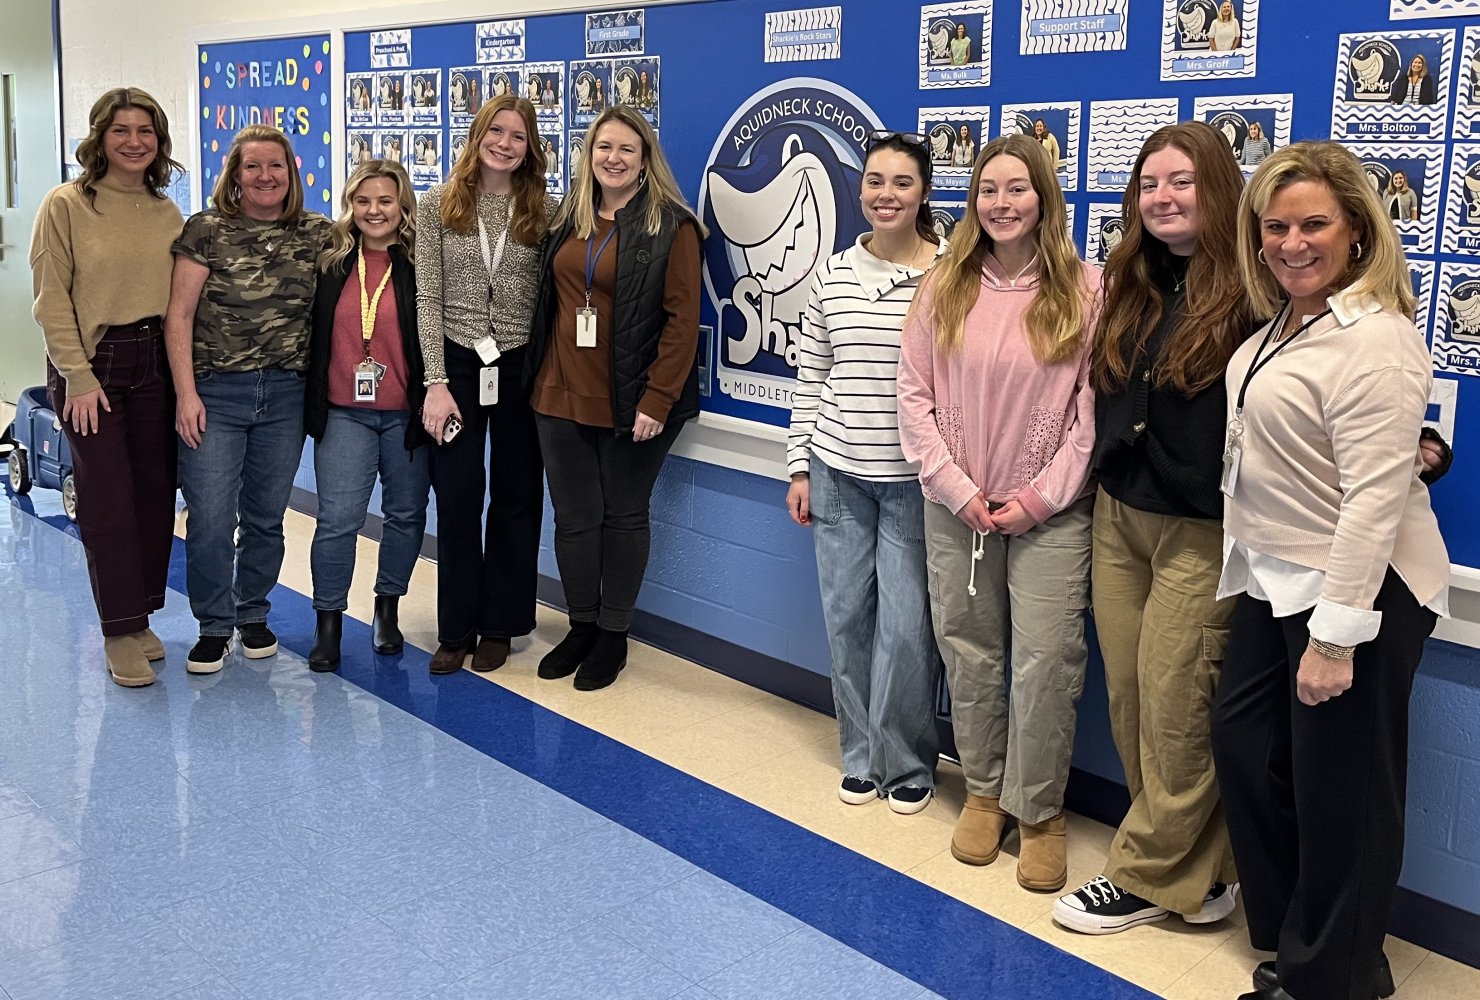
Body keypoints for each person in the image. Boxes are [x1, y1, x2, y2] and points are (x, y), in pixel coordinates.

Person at [1212, 141, 1449, 1000]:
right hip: (1276, 577)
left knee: (1343, 791)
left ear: (1356, 229)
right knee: (1246, 752)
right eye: (1276, 226)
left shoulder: (1376, 338)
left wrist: (1338, 638)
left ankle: (1336, 978)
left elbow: (1373, 502)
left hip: (1359, 590)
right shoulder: (1283, 323)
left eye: (1314, 223)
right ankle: (1296, 936)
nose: (1292, 242)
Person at [1053, 122, 1250, 936]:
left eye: (1182, 183)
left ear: (1219, 189)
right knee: (1134, 700)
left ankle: (1142, 873)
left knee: (1178, 703)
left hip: (1202, 529)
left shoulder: (1258, 285)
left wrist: (1419, 439)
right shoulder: (1126, 279)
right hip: (1120, 511)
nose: (1162, 199)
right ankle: (1197, 878)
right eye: (1149, 185)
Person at [897, 133, 1099, 893]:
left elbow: (1092, 411)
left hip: (1050, 512)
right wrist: (957, 488)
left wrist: (1040, 497)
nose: (1002, 204)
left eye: (1018, 189)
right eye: (989, 190)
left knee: (1048, 663)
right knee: (970, 654)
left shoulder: (1086, 288)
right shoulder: (943, 284)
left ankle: (1040, 811)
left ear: (1043, 198)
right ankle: (984, 792)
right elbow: (913, 400)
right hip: (959, 508)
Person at [786, 131, 945, 814]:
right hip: (837, 472)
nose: (886, 195)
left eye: (902, 183)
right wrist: (798, 467)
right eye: (875, 181)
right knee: (847, 619)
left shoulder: (950, 272)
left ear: (925, 193)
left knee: (909, 630)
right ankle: (859, 753)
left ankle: (906, 759)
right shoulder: (833, 272)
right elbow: (812, 373)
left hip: (915, 483)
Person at [525, 105, 704, 692]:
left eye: (628, 149)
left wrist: (656, 400)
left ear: (645, 159)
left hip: (634, 400)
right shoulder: (567, 220)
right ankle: (579, 625)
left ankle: (612, 635)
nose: (614, 158)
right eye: (604, 147)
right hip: (558, 391)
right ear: (588, 154)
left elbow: (682, 323)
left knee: (622, 515)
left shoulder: (671, 226)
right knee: (575, 519)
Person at [28, 87, 184, 688]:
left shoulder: (165, 209)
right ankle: (118, 629)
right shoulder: (66, 205)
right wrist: (79, 378)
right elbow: (51, 303)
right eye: (121, 130)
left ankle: (141, 612)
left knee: (153, 493)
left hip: (155, 363)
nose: (134, 142)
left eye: (144, 131)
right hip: (94, 366)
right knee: (107, 499)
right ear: (99, 138)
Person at [165, 125, 331, 674]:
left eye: (276, 166)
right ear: (235, 175)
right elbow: (179, 317)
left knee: (264, 516)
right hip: (216, 392)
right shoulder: (206, 231)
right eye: (253, 167)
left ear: (293, 173)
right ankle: (213, 625)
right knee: (211, 517)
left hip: (286, 393)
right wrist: (185, 394)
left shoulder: (317, 233)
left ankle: (252, 613)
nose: (266, 176)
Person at [416, 96, 554, 676]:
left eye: (517, 136)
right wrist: (436, 381)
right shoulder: (438, 205)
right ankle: (455, 626)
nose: (504, 143)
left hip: (521, 366)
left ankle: (500, 624)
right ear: (476, 136)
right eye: (495, 131)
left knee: (518, 495)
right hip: (458, 365)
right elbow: (426, 296)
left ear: (531, 148)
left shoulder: (544, 210)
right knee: (457, 495)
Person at [304, 160, 429, 671]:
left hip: (406, 414)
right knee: (337, 521)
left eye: (385, 201)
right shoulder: (330, 261)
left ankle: (387, 609)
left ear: (403, 206)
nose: (374, 211)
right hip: (344, 414)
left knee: (405, 516)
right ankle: (329, 622)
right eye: (363, 201)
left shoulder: (423, 262)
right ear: (350, 206)